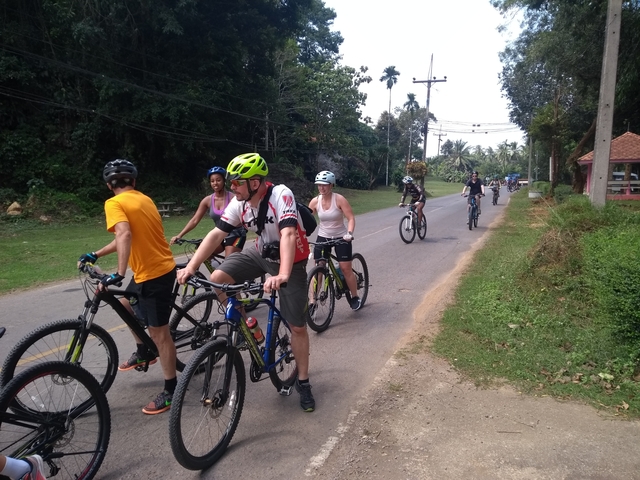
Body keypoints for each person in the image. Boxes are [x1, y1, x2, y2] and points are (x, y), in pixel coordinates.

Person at [176, 153, 315, 412]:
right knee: (217, 278)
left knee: (297, 327)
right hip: (261, 253)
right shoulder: (240, 202)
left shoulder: (281, 194)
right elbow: (217, 233)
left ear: (255, 182)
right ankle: (246, 328)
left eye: (237, 182)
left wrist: (283, 274)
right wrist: (191, 266)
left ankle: (304, 382)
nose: (232, 187)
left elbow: (288, 233)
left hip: (291, 261)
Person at [77, 159, 177, 415]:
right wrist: (96, 254)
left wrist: (119, 273)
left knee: (160, 334)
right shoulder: (145, 199)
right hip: (151, 271)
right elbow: (125, 236)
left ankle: (171, 390)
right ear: (133, 182)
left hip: (155, 275)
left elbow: (124, 235)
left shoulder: (113, 203)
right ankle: (143, 351)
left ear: (110, 185)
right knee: (125, 305)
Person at [308, 171, 361, 310]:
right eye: (319, 185)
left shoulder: (339, 199)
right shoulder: (315, 201)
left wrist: (349, 233)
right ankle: (313, 301)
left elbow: (350, 218)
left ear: (331, 185)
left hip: (341, 236)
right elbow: (306, 220)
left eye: (324, 185)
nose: (321, 188)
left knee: (345, 268)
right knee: (319, 268)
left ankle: (355, 296)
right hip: (323, 236)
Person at [170, 166, 246, 256]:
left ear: (224, 181)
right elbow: (194, 220)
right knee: (201, 252)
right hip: (220, 234)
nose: (215, 183)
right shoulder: (207, 200)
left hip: (236, 234)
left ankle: (228, 268)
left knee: (228, 264)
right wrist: (179, 235)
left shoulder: (233, 198)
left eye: (218, 180)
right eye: (212, 181)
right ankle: (215, 269)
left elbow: (246, 215)